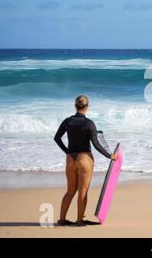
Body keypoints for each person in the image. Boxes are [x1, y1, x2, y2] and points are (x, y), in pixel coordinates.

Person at [54, 95, 117, 226]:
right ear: (87, 107)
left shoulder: (67, 121)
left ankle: (61, 219)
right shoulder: (89, 123)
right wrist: (109, 155)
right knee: (83, 191)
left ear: (75, 106)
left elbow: (57, 138)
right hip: (84, 158)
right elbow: (95, 143)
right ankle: (79, 220)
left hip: (70, 158)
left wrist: (67, 151)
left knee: (70, 191)